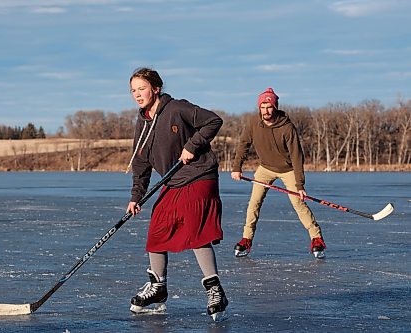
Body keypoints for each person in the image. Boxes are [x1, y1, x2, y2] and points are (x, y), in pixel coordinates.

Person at [125, 67, 228, 322]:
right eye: (133, 90)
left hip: (199, 174)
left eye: (142, 88)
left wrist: (192, 146)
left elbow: (213, 120)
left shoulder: (177, 108)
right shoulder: (143, 122)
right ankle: (158, 287)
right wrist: (136, 196)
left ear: (155, 88)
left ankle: (215, 290)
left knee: (195, 228)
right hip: (174, 180)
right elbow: (140, 163)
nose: (137, 94)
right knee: (158, 228)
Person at [231, 88, 326, 259]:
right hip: (265, 168)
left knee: (298, 204)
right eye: (263, 107)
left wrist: (300, 185)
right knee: (254, 203)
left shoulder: (287, 128)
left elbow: (297, 157)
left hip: (288, 169)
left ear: (275, 107)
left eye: (269, 107)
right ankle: (246, 239)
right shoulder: (253, 123)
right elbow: (243, 144)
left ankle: (316, 238)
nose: (266, 111)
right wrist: (237, 167)